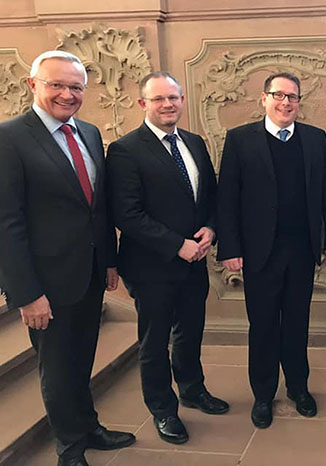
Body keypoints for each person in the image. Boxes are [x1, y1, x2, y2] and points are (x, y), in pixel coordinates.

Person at [0, 51, 134, 466]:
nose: (66, 94)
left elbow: (97, 210)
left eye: (75, 86)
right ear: (33, 85)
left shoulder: (90, 133)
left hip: (89, 274)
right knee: (57, 370)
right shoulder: (9, 138)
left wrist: (109, 262)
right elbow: (7, 223)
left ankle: (88, 425)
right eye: (56, 84)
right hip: (46, 283)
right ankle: (70, 446)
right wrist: (26, 294)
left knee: (82, 359)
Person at [217, 72, 326, 428]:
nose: (286, 102)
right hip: (259, 253)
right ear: (264, 99)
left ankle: (298, 388)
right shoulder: (241, 140)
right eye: (278, 95)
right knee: (263, 326)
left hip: (302, 250)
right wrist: (231, 247)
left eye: (292, 97)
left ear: (299, 103)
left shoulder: (315, 139)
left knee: (297, 323)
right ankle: (262, 395)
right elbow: (227, 199)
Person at [107, 71, 227, 445]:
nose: (168, 104)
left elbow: (210, 195)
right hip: (151, 267)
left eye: (173, 98)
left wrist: (210, 227)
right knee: (154, 342)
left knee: (190, 331)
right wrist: (177, 244)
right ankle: (163, 409)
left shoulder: (194, 142)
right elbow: (127, 214)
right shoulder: (125, 150)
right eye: (159, 99)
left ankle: (192, 389)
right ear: (143, 104)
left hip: (195, 261)